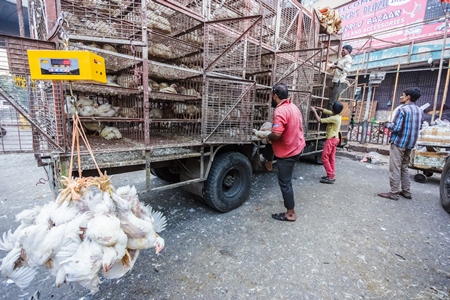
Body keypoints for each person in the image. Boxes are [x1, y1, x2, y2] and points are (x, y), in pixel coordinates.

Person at [266, 83, 306, 222]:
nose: (271, 97)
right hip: (297, 147)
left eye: (272, 95)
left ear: (275, 96)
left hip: (288, 152)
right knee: (286, 181)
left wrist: (268, 137)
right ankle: (268, 162)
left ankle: (290, 213)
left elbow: (276, 134)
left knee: (285, 183)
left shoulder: (280, 110)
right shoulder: (293, 107)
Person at [377, 87, 423, 201]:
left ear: (408, 97)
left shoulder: (402, 110)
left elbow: (396, 128)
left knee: (395, 168)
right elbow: (419, 127)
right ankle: (406, 191)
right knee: (404, 167)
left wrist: (387, 124)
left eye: (402, 95)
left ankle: (393, 193)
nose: (400, 97)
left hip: (399, 142)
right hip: (410, 143)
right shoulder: (419, 110)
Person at [310, 102, 343, 184]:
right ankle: (331, 174)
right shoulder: (337, 116)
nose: (331, 109)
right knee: (331, 157)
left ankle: (330, 176)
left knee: (324, 157)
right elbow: (326, 111)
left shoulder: (334, 118)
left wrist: (314, 111)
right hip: (336, 139)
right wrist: (318, 108)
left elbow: (319, 120)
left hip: (331, 140)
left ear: (334, 109)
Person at [329, 45, 353, 110]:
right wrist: (331, 65)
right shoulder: (341, 58)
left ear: (348, 51)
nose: (341, 51)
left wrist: (336, 67)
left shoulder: (348, 59)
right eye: (342, 50)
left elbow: (346, 70)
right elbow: (333, 63)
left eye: (343, 50)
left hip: (339, 81)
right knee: (331, 99)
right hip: (335, 80)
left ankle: (329, 117)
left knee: (333, 101)